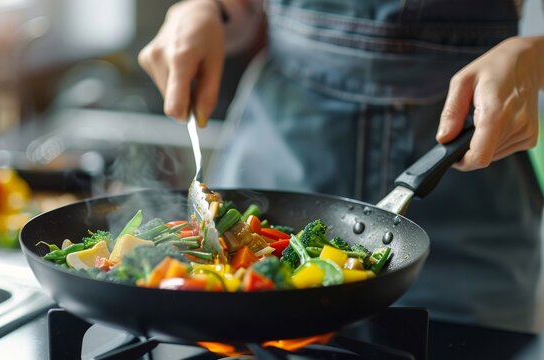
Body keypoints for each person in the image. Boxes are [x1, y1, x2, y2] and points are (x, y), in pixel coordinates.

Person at [139, 0, 544, 332]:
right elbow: (243, 10)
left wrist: (533, 57)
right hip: (283, 150)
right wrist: (207, 10)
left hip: (467, 185)